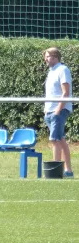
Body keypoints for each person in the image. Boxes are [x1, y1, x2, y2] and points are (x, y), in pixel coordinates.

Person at [44, 47, 73, 178]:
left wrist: (58, 109)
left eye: (47, 56)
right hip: (49, 111)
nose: (45, 59)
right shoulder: (51, 72)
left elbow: (65, 92)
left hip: (59, 111)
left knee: (54, 139)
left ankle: (55, 172)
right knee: (60, 139)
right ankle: (68, 171)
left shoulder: (63, 70)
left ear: (55, 56)